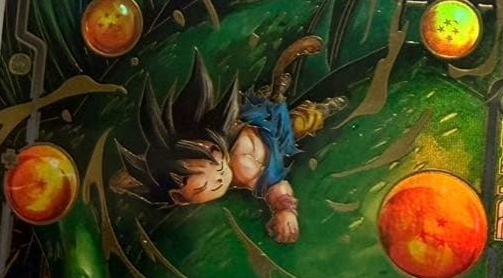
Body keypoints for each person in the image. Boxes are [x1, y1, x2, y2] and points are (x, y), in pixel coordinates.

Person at [116, 38, 346, 243]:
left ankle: (279, 91)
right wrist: (285, 211)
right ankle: (324, 107)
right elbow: (276, 187)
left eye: (213, 158)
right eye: (205, 187)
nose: (219, 177)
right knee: (303, 120)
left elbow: (173, 149)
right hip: (277, 134)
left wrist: (143, 169)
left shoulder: (218, 141)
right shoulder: (243, 171)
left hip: (256, 115)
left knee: (272, 102)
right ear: (181, 198)